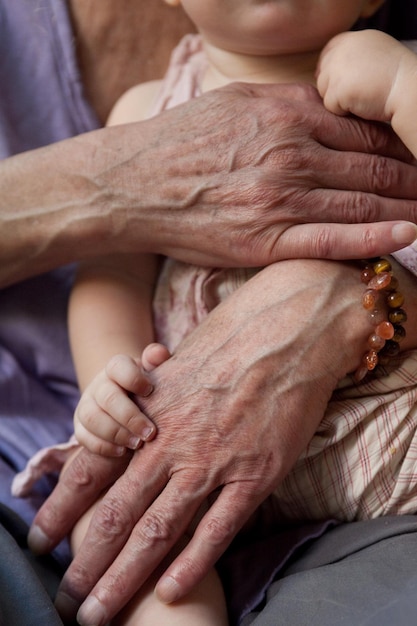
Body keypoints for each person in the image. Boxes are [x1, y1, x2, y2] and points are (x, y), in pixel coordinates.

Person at [1, 0, 417, 624]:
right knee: (115, 518)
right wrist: (111, 386)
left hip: (380, 418)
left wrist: (402, 86)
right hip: (176, 434)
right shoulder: (147, 111)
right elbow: (113, 271)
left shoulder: (396, 76)